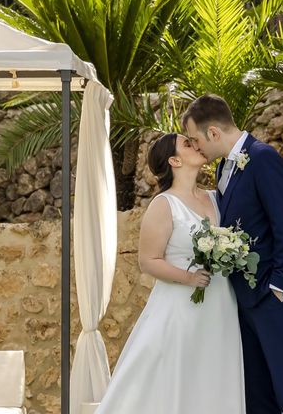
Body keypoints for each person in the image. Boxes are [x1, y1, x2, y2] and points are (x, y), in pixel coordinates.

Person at [183, 94, 283, 414]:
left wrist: (278, 287)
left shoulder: (263, 158)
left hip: (271, 294)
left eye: (196, 139)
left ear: (214, 133)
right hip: (243, 297)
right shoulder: (223, 168)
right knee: (257, 393)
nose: (196, 147)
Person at [96, 133, 245, 413]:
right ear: (174, 161)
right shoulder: (164, 204)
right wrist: (189, 278)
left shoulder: (216, 199)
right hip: (180, 310)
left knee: (213, 378)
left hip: (220, 306)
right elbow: (148, 260)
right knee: (173, 379)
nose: (196, 145)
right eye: (187, 144)